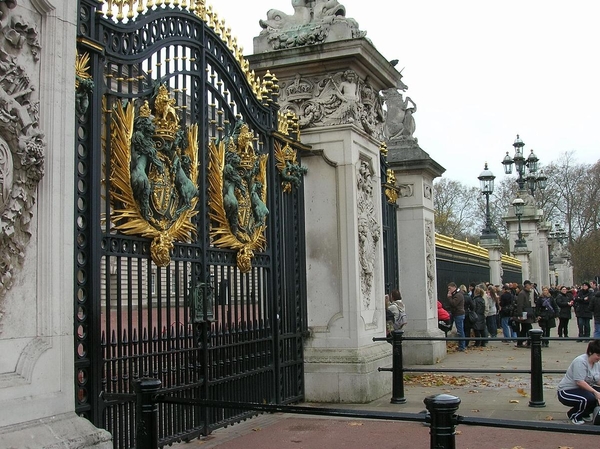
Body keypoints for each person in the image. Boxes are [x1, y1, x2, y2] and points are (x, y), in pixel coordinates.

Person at [557, 340, 600, 425]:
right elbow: (579, 382)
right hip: (567, 391)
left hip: (582, 389)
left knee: (594, 396)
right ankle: (574, 415)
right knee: (588, 398)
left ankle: (585, 413)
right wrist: (595, 392)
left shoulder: (597, 363)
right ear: (591, 352)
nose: (599, 358)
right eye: (598, 355)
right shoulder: (580, 361)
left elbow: (597, 380)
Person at [515, 280, 536, 347]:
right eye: (530, 285)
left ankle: (520, 342)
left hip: (528, 312)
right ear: (526, 285)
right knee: (528, 328)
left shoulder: (528, 293)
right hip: (524, 313)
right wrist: (520, 314)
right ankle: (529, 342)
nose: (531, 287)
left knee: (524, 329)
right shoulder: (522, 293)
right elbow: (520, 305)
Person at [447, 282, 466, 351]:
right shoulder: (457, 294)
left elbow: (453, 304)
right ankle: (461, 345)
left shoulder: (458, 295)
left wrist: (449, 297)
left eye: (450, 288)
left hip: (459, 314)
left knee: (460, 331)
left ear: (454, 287)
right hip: (457, 313)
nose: (449, 290)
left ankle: (462, 346)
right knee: (460, 330)